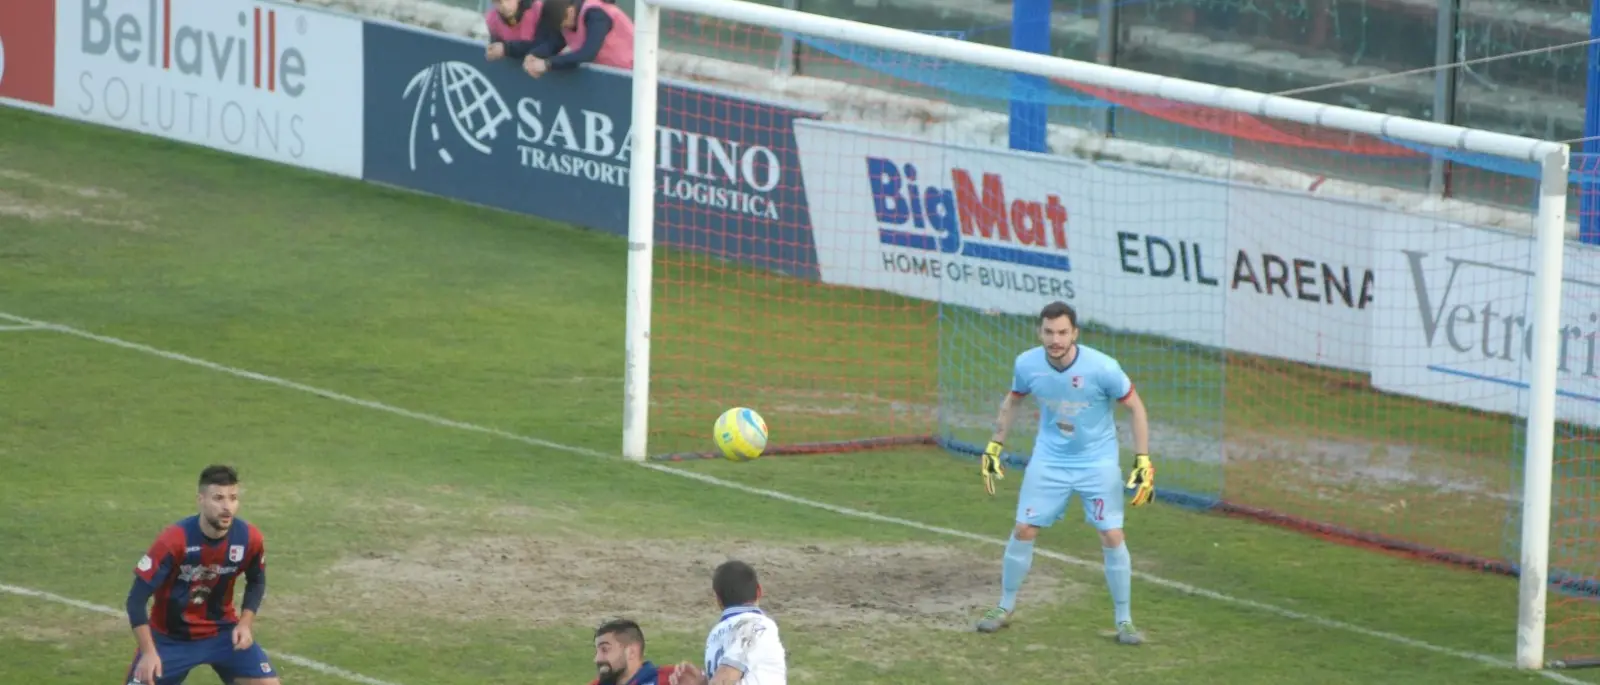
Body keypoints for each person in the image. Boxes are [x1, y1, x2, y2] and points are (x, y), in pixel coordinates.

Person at [974, 300, 1155, 645]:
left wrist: (1143, 459)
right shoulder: (1027, 364)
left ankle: (1124, 621)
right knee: (1024, 528)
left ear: (1075, 333)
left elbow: (1136, 407)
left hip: (1097, 463)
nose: (1055, 339)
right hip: (1049, 461)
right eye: (1048, 332)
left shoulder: (1103, 368)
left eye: (1062, 332)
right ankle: (1004, 607)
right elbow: (1013, 400)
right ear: (1039, 331)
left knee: (1112, 535)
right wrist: (995, 445)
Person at [124, 465, 278, 685]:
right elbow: (135, 601)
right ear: (201, 499)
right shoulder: (173, 541)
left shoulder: (248, 538)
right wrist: (149, 653)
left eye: (233, 498)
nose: (227, 507)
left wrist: (244, 623)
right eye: (218, 498)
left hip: (223, 633)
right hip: (170, 639)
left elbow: (257, 579)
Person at [672, 560, 786, 685]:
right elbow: (724, 678)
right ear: (759, 590)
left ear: (718, 600)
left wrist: (702, 683)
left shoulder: (715, 634)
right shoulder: (755, 625)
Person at [518, 0, 636, 78]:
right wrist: (535, 54)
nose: (564, 27)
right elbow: (554, 43)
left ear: (570, 10)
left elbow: (587, 53)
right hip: (611, 73)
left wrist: (547, 64)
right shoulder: (565, 19)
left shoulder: (595, 14)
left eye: (563, 23)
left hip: (636, 72)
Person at [589, 618, 678, 685]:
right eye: (597, 651)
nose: (597, 659)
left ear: (631, 652)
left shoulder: (669, 678)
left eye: (605, 649)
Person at [484, 0, 565, 65]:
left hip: (548, 70)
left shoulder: (538, 9)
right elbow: (496, 50)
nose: (504, 5)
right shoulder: (492, 18)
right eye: (498, 1)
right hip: (515, 71)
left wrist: (506, 49)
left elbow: (543, 45)